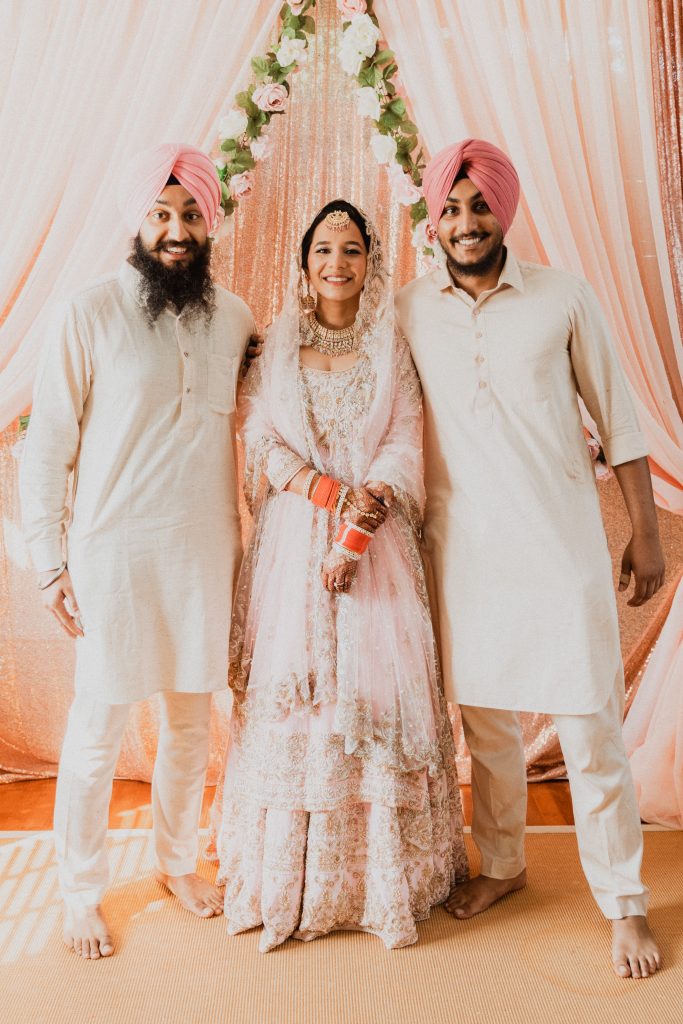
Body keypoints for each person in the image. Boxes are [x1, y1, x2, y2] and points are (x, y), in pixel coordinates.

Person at [395, 138, 666, 979]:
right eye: (450, 208)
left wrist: (646, 532)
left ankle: (623, 903)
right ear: (432, 219)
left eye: (479, 205)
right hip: (462, 553)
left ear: (504, 210)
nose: (465, 222)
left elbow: (618, 416)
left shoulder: (562, 296)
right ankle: (504, 864)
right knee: (485, 727)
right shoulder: (409, 308)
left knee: (589, 728)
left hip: (559, 549)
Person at [20, 143, 257, 959]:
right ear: (138, 221)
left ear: (210, 222)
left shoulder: (236, 318)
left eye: (190, 213)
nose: (176, 230)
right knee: (97, 729)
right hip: (112, 555)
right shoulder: (87, 312)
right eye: (161, 213)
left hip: (204, 553)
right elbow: (47, 446)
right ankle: (79, 893)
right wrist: (49, 562)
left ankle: (176, 862)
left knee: (192, 724)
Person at [213, 200, 468, 952]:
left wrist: (359, 524)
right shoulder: (276, 344)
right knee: (298, 697)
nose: (336, 262)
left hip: (376, 541)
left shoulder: (390, 346)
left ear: (370, 263)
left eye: (351, 249)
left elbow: (404, 438)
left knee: (373, 695)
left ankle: (379, 883)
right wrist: (325, 494)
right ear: (304, 263)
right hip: (293, 543)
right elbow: (260, 435)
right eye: (323, 249)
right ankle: (288, 881)